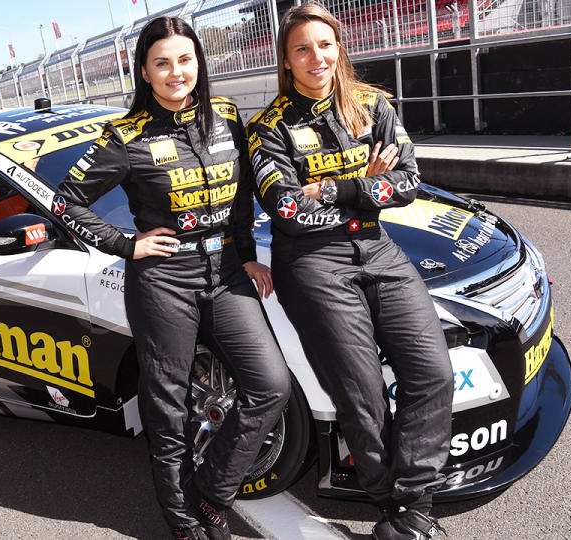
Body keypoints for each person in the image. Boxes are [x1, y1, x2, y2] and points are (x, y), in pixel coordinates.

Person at [53, 16, 291, 540]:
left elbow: (244, 193)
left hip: (227, 273)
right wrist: (125, 244)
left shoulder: (226, 115)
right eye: (162, 63)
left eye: (185, 59)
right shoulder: (125, 135)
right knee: (168, 410)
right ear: (144, 71)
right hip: (162, 282)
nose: (175, 71)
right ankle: (183, 524)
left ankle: (210, 493)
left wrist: (249, 254)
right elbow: (64, 200)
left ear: (199, 63)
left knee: (270, 385)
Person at [245, 4, 453, 540]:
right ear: (286, 61)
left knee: (432, 372)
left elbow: (408, 181)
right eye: (303, 49)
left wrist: (337, 189)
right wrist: (368, 184)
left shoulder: (372, 104)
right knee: (362, 396)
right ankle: (400, 511)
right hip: (312, 264)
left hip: (377, 249)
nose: (318, 57)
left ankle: (411, 503)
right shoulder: (267, 129)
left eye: (326, 45)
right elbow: (289, 211)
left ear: (340, 49)